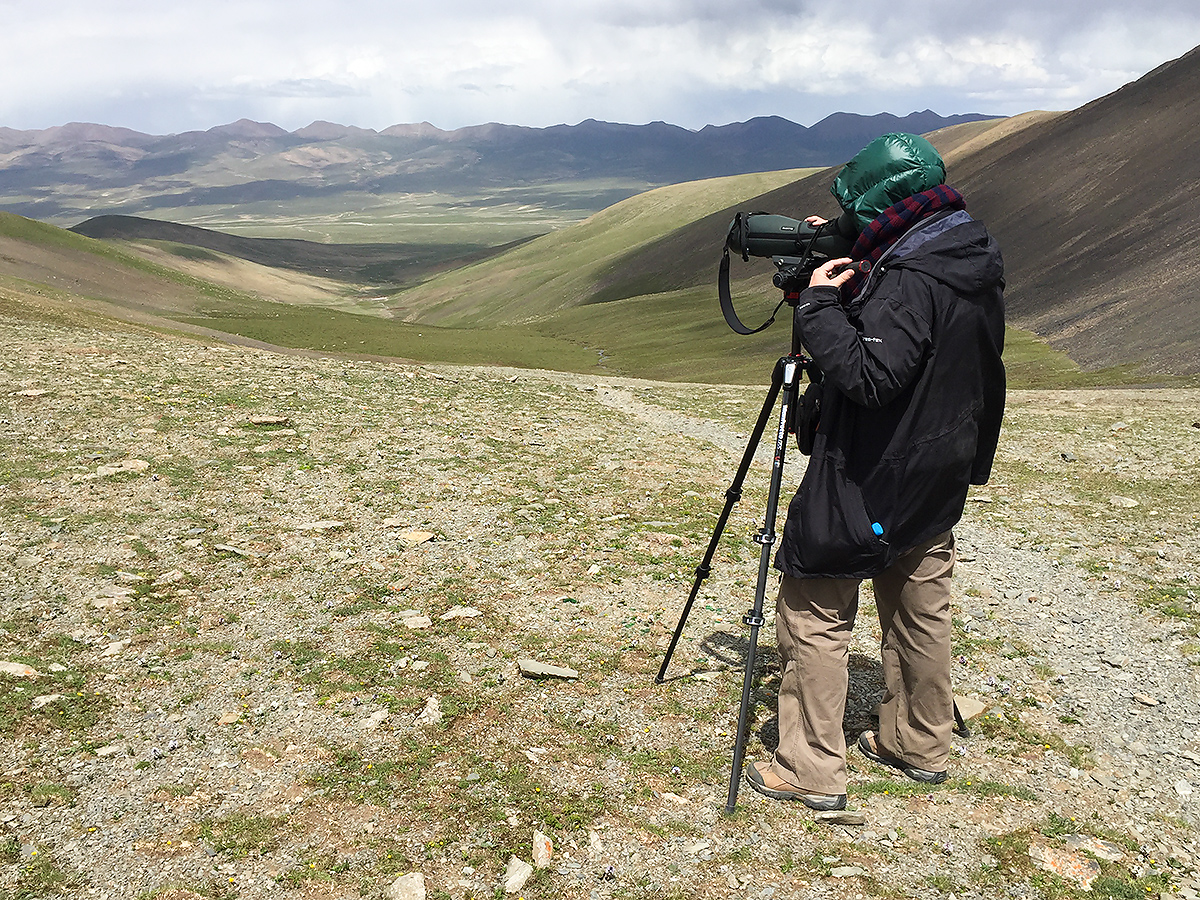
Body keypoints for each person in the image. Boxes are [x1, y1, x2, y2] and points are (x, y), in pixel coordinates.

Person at [744, 132, 1006, 810]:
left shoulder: (908, 278)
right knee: (920, 605)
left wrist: (819, 305)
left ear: (883, 205)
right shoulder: (961, 248)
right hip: (938, 464)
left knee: (813, 608)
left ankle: (808, 769)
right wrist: (848, 247)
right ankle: (917, 743)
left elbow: (869, 373)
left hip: (873, 470)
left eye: (854, 210)